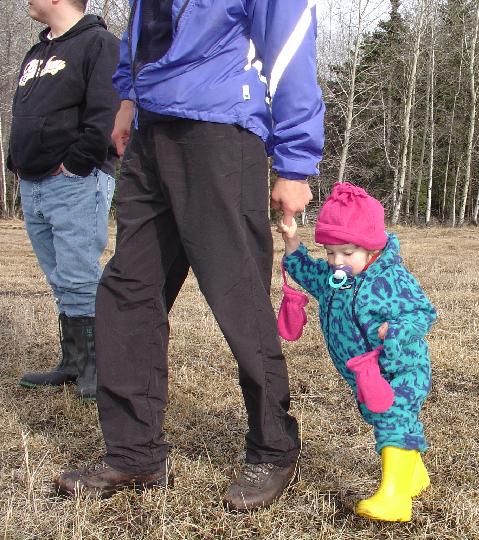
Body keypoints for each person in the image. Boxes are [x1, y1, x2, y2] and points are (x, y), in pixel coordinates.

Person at [55, 0, 324, 511]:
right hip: (151, 131)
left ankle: (273, 446)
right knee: (128, 290)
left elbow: (288, 45)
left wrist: (295, 162)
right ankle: (135, 453)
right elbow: (144, 27)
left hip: (220, 128)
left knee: (237, 295)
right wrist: (128, 99)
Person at [276, 182, 436, 522]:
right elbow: (308, 272)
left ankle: (394, 499)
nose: (337, 261)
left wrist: (395, 331)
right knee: (379, 416)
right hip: (364, 375)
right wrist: (292, 242)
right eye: (330, 252)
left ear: (372, 248)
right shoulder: (337, 277)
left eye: (347, 253)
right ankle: (413, 476)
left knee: (392, 416)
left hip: (401, 368)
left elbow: (422, 312)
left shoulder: (390, 279)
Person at [7, 0, 120, 400]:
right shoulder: (37, 51)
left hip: (76, 181)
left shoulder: (99, 44)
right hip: (33, 181)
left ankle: (96, 368)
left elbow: (105, 113)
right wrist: (15, 161)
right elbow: (23, 112)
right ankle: (72, 361)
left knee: (79, 275)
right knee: (59, 278)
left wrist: (75, 164)